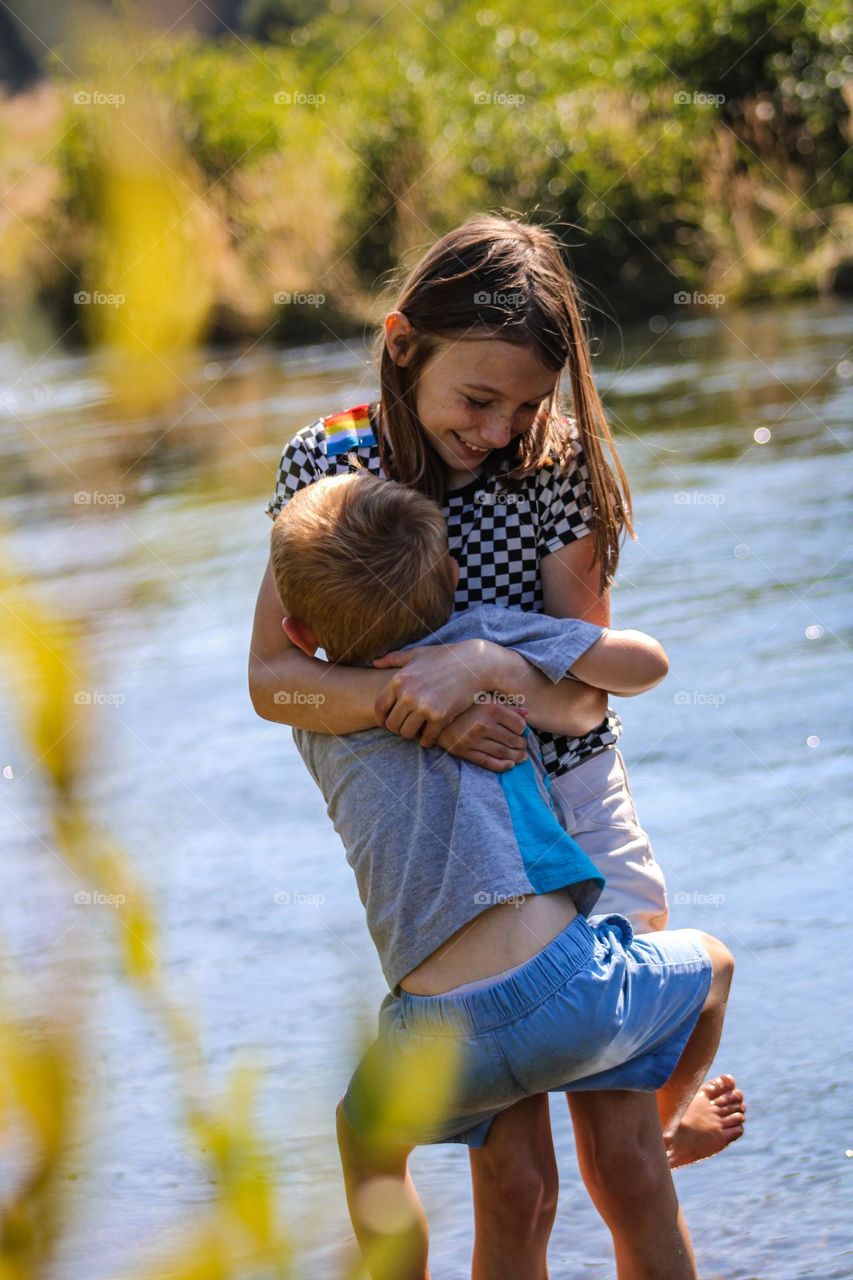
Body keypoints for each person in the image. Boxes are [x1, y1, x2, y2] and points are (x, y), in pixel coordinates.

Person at [249, 213, 744, 1280]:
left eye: (525, 403)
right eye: (479, 399)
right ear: (400, 343)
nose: (500, 427)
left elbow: (585, 692)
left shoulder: (555, 462)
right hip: (446, 826)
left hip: (570, 796)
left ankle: (668, 1124)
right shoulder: (328, 465)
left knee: (622, 1156)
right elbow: (275, 679)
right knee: (514, 1178)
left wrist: (485, 667)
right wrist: (404, 704)